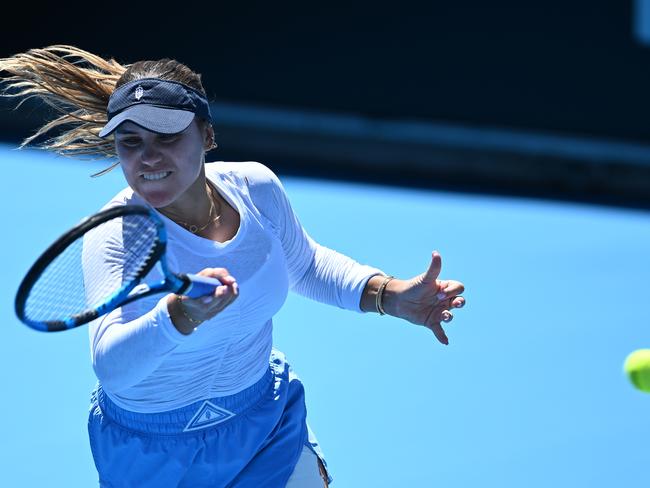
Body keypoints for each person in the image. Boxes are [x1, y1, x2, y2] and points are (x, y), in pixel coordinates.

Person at [0, 45, 466, 487]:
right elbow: (112, 366)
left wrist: (388, 295)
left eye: (167, 136)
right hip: (153, 457)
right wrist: (180, 316)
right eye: (131, 142)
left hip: (263, 422)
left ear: (206, 134)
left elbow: (305, 265)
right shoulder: (115, 234)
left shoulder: (255, 187)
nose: (148, 157)